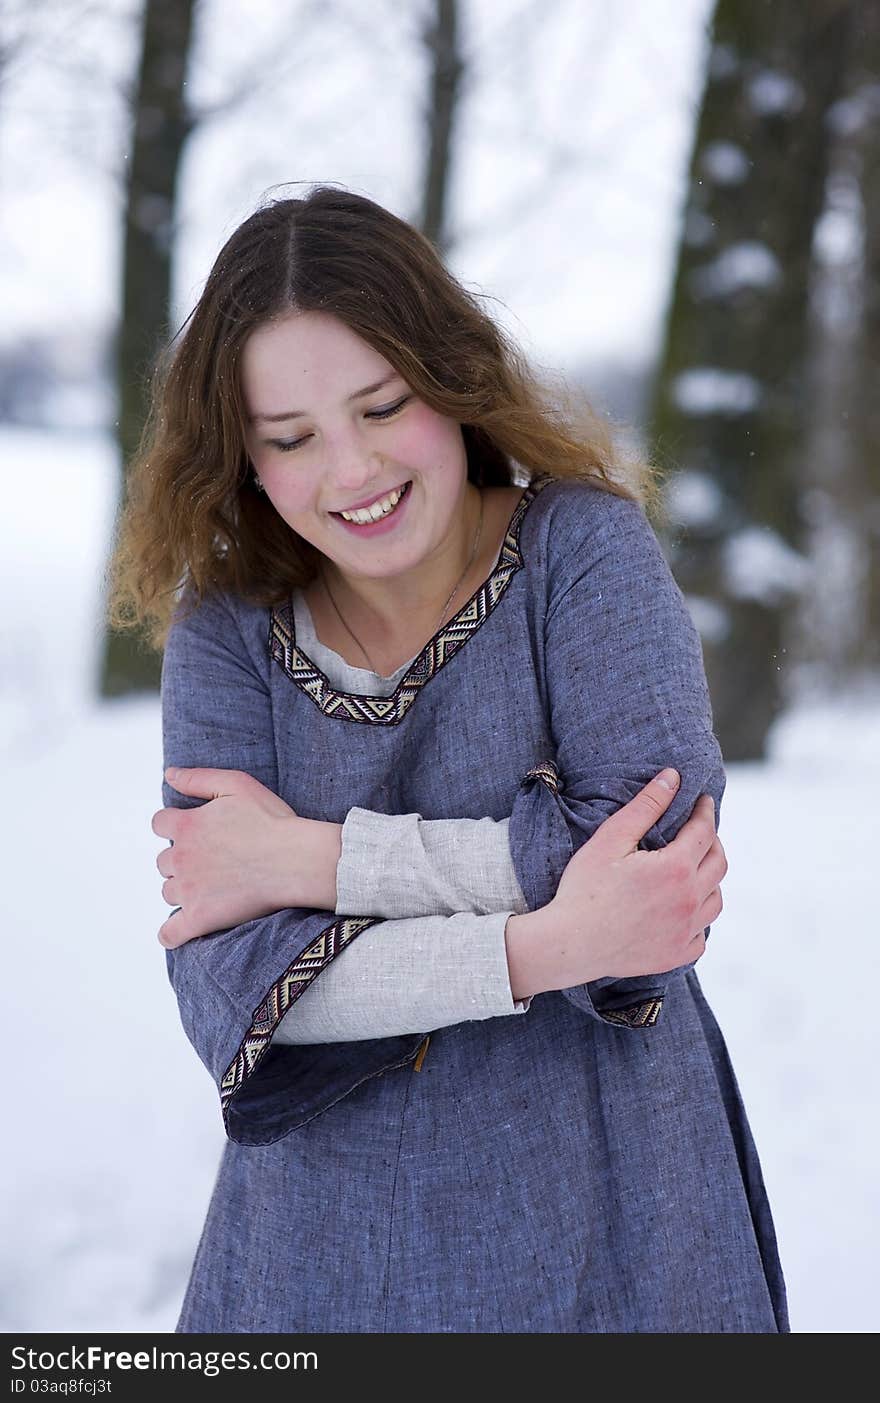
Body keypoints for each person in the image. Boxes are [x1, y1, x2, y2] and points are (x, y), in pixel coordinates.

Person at [108, 185, 788, 1333]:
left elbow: (652, 855)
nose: (350, 470)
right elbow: (231, 977)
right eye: (291, 438)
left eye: (382, 406)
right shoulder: (226, 624)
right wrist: (550, 943)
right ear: (243, 458)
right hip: (326, 1242)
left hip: (617, 1212)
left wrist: (312, 860)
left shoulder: (582, 550)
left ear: (451, 377)